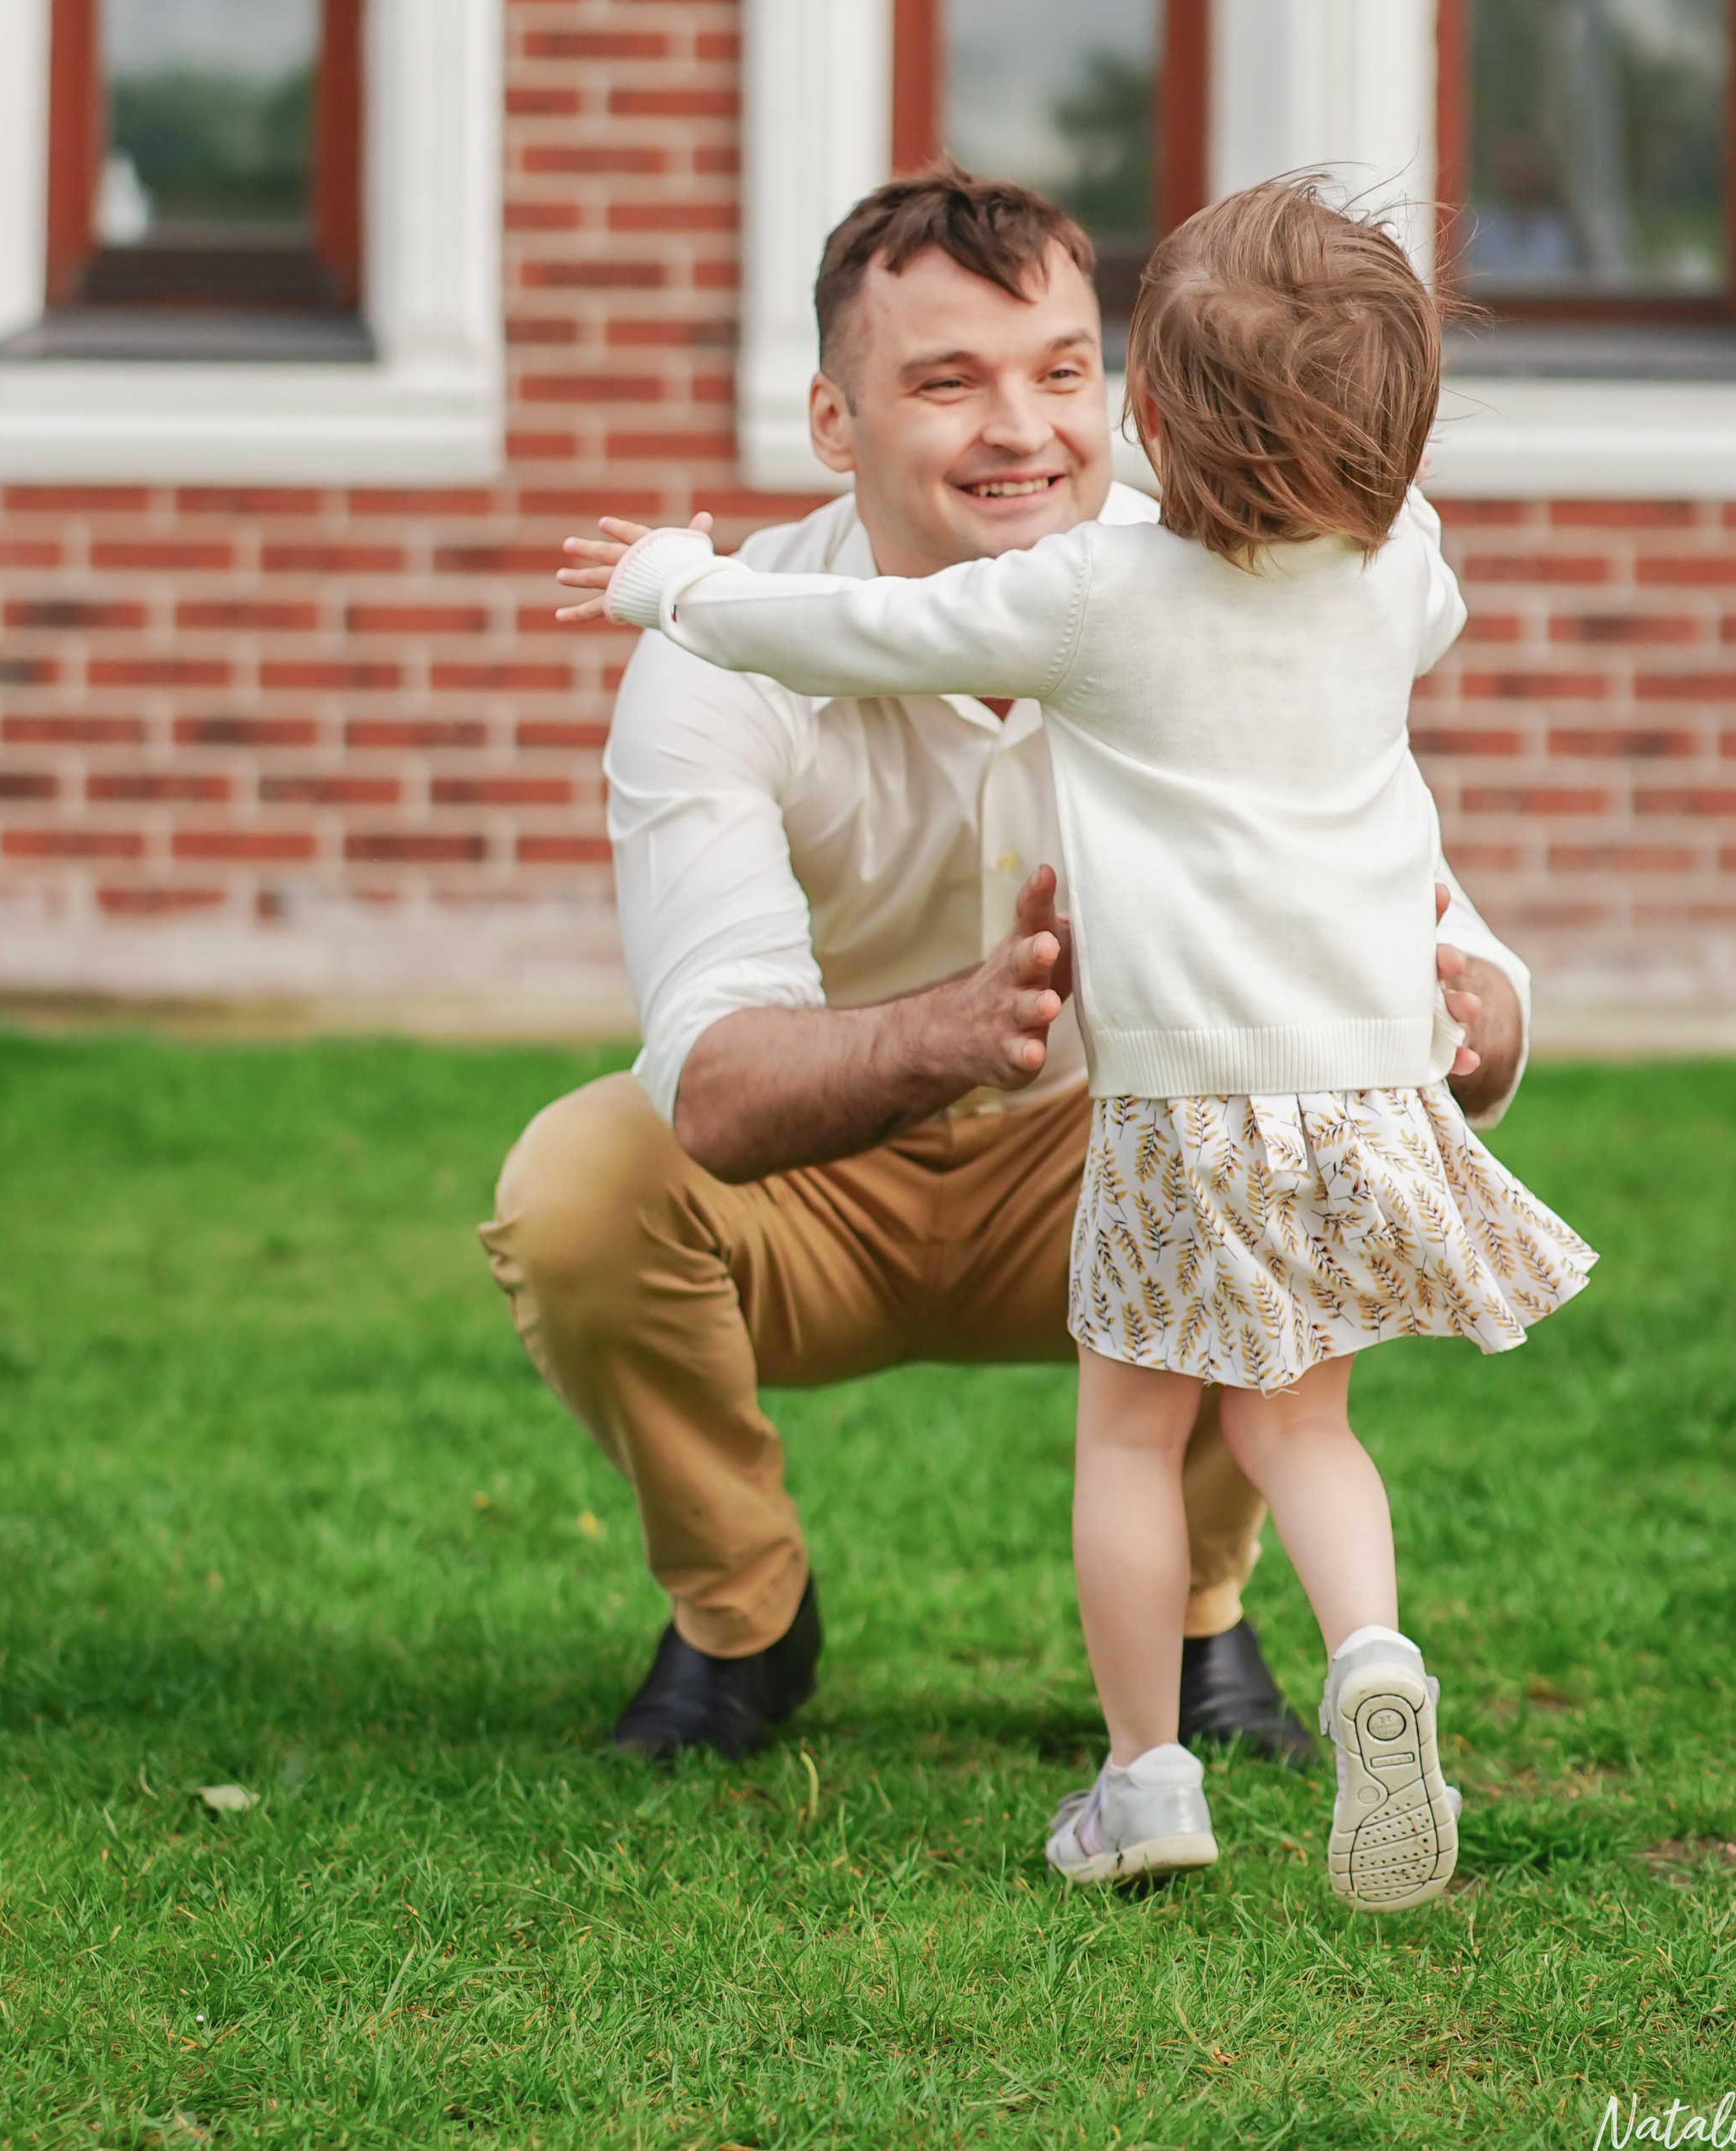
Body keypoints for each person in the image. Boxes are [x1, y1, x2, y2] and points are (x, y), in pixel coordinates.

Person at [558, 174, 1594, 1905]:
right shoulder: (1385, 565)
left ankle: (1154, 1750)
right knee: (1297, 1412)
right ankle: (1362, 1655)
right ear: (834, 419)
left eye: (1062, 371)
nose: (1023, 427)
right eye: (947, 380)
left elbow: (854, 636)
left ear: (1138, 406)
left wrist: (675, 578)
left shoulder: (1094, 591)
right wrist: (956, 1029)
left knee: (1127, 1436)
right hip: (874, 1168)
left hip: (1131, 1131)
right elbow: (717, 1078)